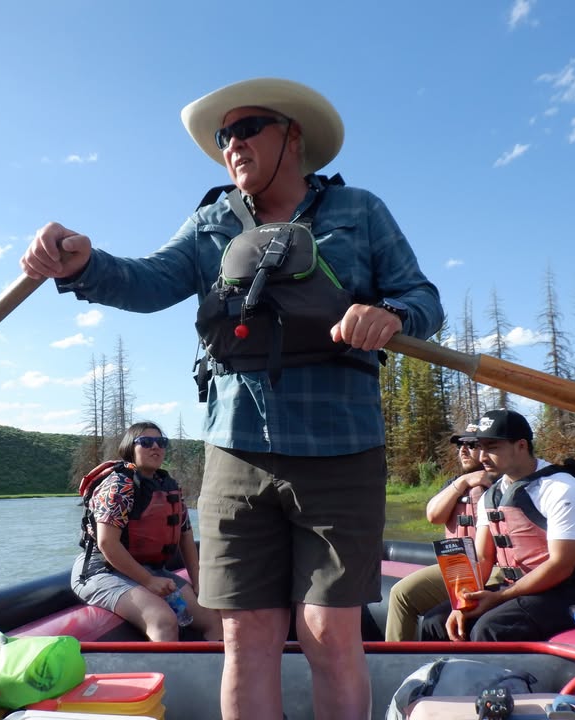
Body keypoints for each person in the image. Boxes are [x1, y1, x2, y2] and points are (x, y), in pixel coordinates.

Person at [22, 77, 443, 720]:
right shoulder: (213, 221)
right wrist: (83, 265)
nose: (232, 146)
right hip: (236, 454)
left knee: (331, 635)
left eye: (247, 129)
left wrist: (389, 314)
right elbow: (147, 280)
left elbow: (424, 300)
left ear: (292, 137)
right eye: (224, 137)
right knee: (245, 637)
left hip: (342, 450)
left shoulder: (359, 210)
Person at [419, 409, 575, 643]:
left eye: (492, 447)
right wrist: (463, 602)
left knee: (490, 629)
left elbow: (561, 565)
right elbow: (482, 557)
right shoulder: (492, 495)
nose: (482, 457)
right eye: (480, 447)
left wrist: (500, 598)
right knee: (434, 621)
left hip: (573, 591)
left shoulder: (561, 489)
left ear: (521, 445)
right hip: (519, 588)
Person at [70, 421, 222, 642]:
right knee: (162, 619)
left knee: (211, 617)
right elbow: (107, 543)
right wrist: (148, 581)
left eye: (161, 442)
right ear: (131, 448)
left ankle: (217, 675)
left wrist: (198, 583)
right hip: (101, 570)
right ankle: (168, 677)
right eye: (146, 442)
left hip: (150, 569)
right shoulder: (118, 485)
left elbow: (185, 536)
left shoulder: (168, 486)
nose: (155, 447)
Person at [384, 423, 493, 641]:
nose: (462, 450)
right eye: (460, 445)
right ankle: (395, 660)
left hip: (492, 568)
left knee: (433, 616)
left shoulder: (501, 484)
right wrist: (463, 482)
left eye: (471, 444)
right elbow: (434, 516)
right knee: (401, 594)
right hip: (459, 566)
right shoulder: (454, 484)